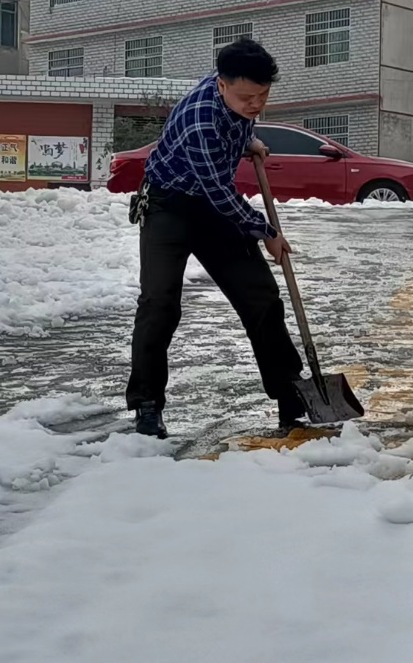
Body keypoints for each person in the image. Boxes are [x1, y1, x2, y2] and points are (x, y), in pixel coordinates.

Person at [125, 38, 304, 439]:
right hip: (169, 206)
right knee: (160, 302)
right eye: (246, 97)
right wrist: (266, 231)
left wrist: (247, 139)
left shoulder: (238, 95)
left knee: (261, 298)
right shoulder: (199, 120)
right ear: (221, 85)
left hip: (212, 206)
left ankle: (291, 395)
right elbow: (219, 193)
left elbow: (237, 128)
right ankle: (147, 405)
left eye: (262, 96)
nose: (255, 104)